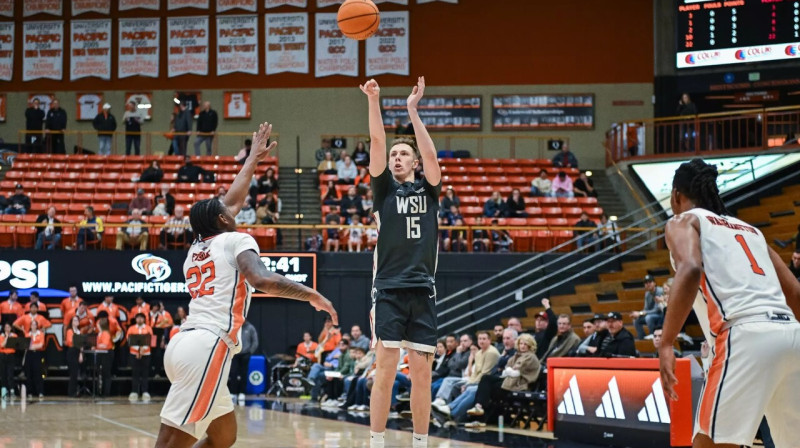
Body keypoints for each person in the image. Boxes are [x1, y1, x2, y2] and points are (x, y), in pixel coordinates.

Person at [155, 122, 338, 448]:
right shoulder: (236, 239)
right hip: (208, 346)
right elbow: (262, 280)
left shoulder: (196, 249)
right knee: (171, 442)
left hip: (184, 344)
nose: (233, 207)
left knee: (223, 436)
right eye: (227, 210)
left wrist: (253, 157)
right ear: (223, 220)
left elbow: (232, 201)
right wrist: (312, 294)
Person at [659, 158, 800, 448]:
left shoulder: (683, 220)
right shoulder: (752, 231)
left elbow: (690, 269)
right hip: (792, 336)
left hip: (744, 335)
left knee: (709, 444)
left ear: (676, 196)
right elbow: (796, 294)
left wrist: (666, 342)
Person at [361, 76, 442, 448]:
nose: (396, 157)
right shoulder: (383, 191)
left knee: (422, 374)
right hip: (390, 289)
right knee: (387, 369)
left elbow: (431, 156)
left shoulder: (429, 188)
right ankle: (377, 441)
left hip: (422, 289)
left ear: (413, 162)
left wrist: (412, 110)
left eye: (402, 154)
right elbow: (377, 141)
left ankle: (420, 443)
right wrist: (374, 100)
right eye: (394, 154)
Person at [465, 333, 539, 427]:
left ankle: (479, 415)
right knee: (486, 379)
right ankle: (479, 409)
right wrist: (508, 370)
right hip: (510, 381)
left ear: (530, 345)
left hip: (519, 384)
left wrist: (508, 370)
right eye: (521, 344)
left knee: (489, 388)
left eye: (525, 344)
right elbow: (507, 369)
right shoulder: (517, 355)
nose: (523, 346)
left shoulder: (530, 357)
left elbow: (514, 372)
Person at [229, 320, 258, 404]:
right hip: (235, 354)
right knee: (233, 373)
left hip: (245, 354)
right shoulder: (235, 327)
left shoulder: (250, 327)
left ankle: (242, 393)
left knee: (243, 374)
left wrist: (250, 352)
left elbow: (255, 341)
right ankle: (233, 393)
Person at [127, 312, 154, 402]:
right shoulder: (131, 328)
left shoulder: (148, 328)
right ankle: (134, 391)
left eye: (141, 318)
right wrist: (138, 350)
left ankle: (145, 391)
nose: (139, 319)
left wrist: (142, 351)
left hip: (146, 354)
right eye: (138, 318)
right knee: (135, 373)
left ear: (144, 319)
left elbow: (150, 341)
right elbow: (129, 340)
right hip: (134, 354)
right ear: (135, 319)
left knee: (145, 373)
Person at [632, 275, 664, 340]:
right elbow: (646, 309)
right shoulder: (647, 294)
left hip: (661, 314)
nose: (648, 284)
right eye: (646, 283)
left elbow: (657, 310)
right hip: (652, 314)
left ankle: (653, 335)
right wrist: (638, 314)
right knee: (636, 319)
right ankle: (642, 339)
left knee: (648, 318)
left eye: (650, 282)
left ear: (654, 283)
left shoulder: (660, 291)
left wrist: (640, 313)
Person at [25, 319, 46, 399]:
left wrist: (31, 347)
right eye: (32, 324)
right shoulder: (27, 335)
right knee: (29, 373)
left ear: (37, 326)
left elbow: (41, 345)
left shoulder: (40, 334)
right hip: (29, 355)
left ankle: (40, 392)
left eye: (35, 324)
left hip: (37, 354)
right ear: (30, 326)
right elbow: (26, 346)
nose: (33, 326)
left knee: (38, 373)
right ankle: (30, 392)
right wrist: (32, 346)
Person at [64, 315, 84, 397]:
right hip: (72, 352)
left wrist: (81, 354)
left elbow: (82, 344)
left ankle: (75, 391)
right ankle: (71, 392)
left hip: (78, 351)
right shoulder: (69, 331)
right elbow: (70, 341)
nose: (76, 322)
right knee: (73, 373)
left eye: (77, 320)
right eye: (74, 320)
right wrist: (78, 344)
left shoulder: (79, 332)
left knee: (76, 373)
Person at [94, 318, 114, 397]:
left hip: (107, 354)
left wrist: (96, 346)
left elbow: (105, 345)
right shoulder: (100, 333)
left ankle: (106, 392)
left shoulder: (105, 333)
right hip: (101, 354)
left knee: (106, 373)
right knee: (100, 373)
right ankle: (100, 391)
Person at [0, 322, 16, 399]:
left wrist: (8, 338)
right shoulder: (1, 336)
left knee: (10, 374)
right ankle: (4, 392)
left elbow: (14, 345)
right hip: (2, 356)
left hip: (11, 356)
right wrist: (6, 337)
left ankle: (12, 391)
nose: (7, 329)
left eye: (8, 327)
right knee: (3, 375)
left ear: (11, 328)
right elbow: (2, 345)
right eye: (6, 327)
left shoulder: (14, 336)